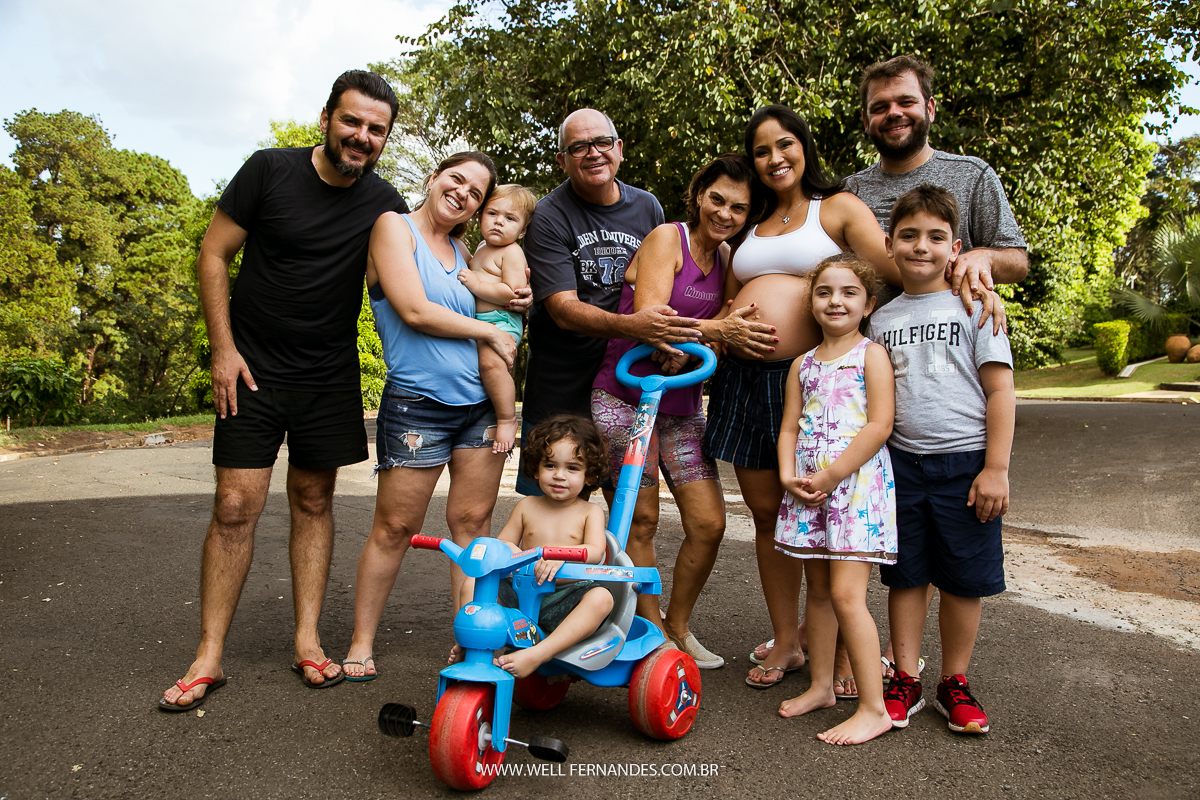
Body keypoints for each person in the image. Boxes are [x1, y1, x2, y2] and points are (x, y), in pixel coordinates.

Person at [160, 70, 409, 711]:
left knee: (313, 499)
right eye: (352, 121)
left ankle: (307, 640)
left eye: (376, 129)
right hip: (252, 369)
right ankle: (209, 654)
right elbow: (213, 254)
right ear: (327, 117)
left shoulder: (384, 202)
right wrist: (223, 349)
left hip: (327, 373)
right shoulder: (268, 170)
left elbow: (411, 277)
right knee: (236, 505)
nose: (362, 136)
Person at [702, 104, 906, 692]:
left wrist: (965, 269)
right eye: (762, 150)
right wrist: (719, 328)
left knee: (828, 516)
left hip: (817, 383)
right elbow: (732, 298)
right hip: (744, 381)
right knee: (770, 516)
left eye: (785, 144)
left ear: (804, 147)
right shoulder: (748, 221)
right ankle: (788, 640)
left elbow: (893, 270)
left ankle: (840, 652)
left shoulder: (836, 207)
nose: (775, 158)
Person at [339, 152, 519, 682]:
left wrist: (515, 298)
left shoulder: (468, 249)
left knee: (471, 528)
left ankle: (470, 641)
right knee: (394, 527)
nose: (463, 193)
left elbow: (502, 303)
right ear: (433, 178)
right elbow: (413, 310)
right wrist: (489, 331)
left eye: (475, 192)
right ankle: (360, 642)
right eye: (455, 179)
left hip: (479, 407)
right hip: (417, 403)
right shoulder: (393, 228)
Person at [589, 154, 773, 668]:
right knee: (641, 522)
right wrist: (705, 333)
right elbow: (655, 319)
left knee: (709, 523)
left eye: (739, 207)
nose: (725, 213)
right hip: (625, 401)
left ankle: (677, 624)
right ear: (697, 196)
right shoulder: (667, 239)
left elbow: (728, 315)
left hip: (683, 405)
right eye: (717, 199)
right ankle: (649, 634)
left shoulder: (731, 257)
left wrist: (691, 336)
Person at [866, 185, 1015, 734]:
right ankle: (904, 677)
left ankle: (955, 681)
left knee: (961, 579)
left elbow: (1000, 393)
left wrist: (995, 468)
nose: (920, 246)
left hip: (966, 467)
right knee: (905, 576)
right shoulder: (880, 320)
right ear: (889, 243)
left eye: (935, 237)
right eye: (908, 236)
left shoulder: (975, 306)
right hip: (901, 466)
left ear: (956, 247)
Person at [518, 108, 708, 495]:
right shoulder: (548, 217)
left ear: (619, 149)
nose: (593, 153)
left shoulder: (647, 207)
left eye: (602, 142)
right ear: (562, 160)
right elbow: (562, 309)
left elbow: (663, 281)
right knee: (554, 503)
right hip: (564, 381)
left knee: (623, 503)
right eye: (578, 147)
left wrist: (673, 341)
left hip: (623, 379)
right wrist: (634, 326)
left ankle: (605, 559)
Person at [772, 254, 896, 746]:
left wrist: (833, 474)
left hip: (853, 488)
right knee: (818, 594)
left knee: (847, 596)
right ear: (812, 302)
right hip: (808, 488)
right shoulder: (802, 364)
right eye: (824, 292)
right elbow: (788, 426)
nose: (835, 300)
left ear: (867, 304)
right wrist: (788, 475)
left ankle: (873, 708)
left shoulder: (871, 354)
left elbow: (879, 424)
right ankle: (822, 686)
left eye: (848, 292)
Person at [847, 54, 1028, 302]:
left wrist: (983, 257)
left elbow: (1018, 262)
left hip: (954, 335)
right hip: (874, 337)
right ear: (866, 121)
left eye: (906, 102)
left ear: (929, 109)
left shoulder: (972, 175)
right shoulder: (849, 192)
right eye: (880, 107)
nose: (893, 113)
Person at [463, 415, 613, 679]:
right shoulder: (526, 506)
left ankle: (538, 654)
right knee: (471, 584)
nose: (559, 475)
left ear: (589, 475)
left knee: (602, 598)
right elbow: (502, 543)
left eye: (572, 468)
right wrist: (510, 550)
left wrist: (562, 560)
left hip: (565, 598)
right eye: (550, 465)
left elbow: (596, 551)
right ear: (536, 468)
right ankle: (470, 642)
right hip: (520, 594)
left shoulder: (590, 512)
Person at [456, 184, 538, 453]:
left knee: (491, 365)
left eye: (510, 219)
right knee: (481, 366)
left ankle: (506, 418)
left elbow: (511, 293)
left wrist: (476, 285)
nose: (499, 222)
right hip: (483, 320)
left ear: (522, 230)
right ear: (480, 216)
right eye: (492, 213)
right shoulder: (481, 246)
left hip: (501, 320)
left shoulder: (511, 251)